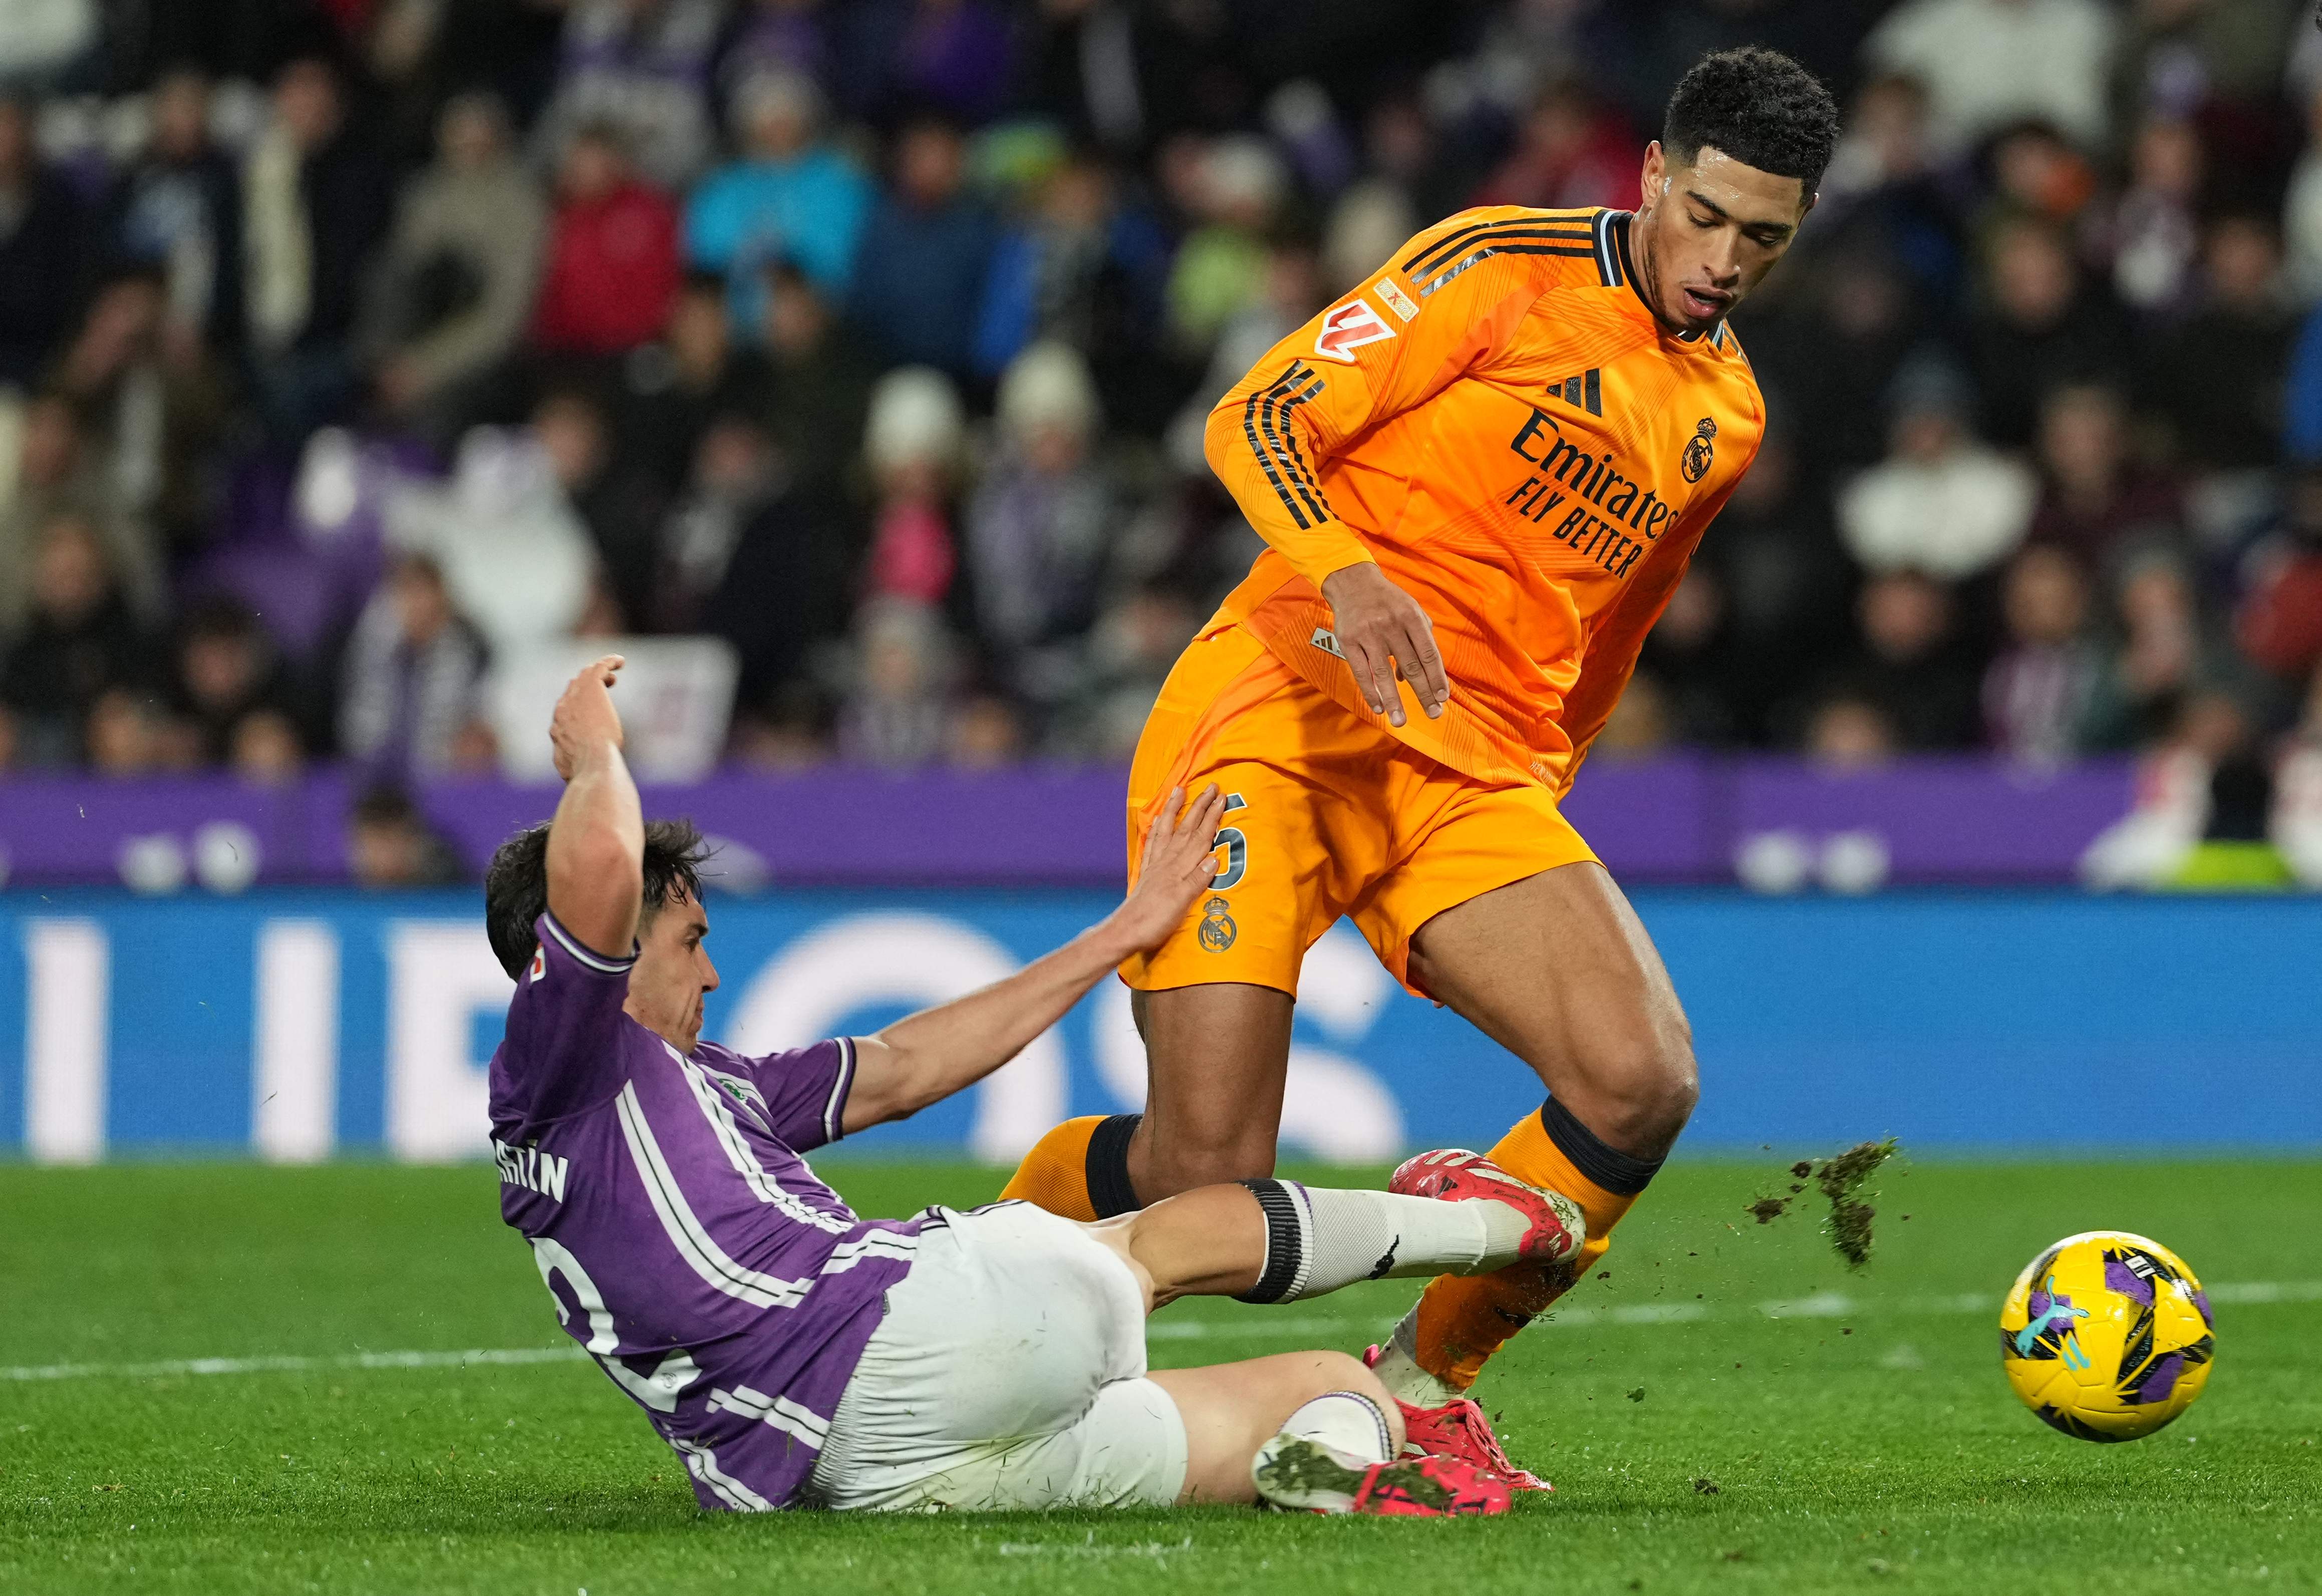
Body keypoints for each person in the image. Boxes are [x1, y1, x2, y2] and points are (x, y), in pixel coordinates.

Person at [994, 47, 1839, 1479]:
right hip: (1281, 709)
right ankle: (982, 1263)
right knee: (1207, 1174)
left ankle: (1410, 1384)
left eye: (1764, 237)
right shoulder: (1493, 263)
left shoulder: (1726, 414)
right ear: (1649, 173)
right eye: (1705, 215)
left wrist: (1544, 780)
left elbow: (1618, 618)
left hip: (1468, 768)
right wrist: (1341, 570)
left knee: (1638, 1079)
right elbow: (1251, 416)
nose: (1723, 260)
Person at [486, 654, 1590, 1516]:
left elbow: (909, 1066)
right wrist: (593, 757)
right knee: (1150, 1241)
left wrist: (1122, 931)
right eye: (689, 939)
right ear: (600, 955)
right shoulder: (566, 1060)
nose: (712, 969)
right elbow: (597, 873)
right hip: (893, 1336)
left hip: (859, 1471)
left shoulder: (685, 1090)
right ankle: (1500, 1223)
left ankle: (1326, 1460)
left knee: (1324, 1387)